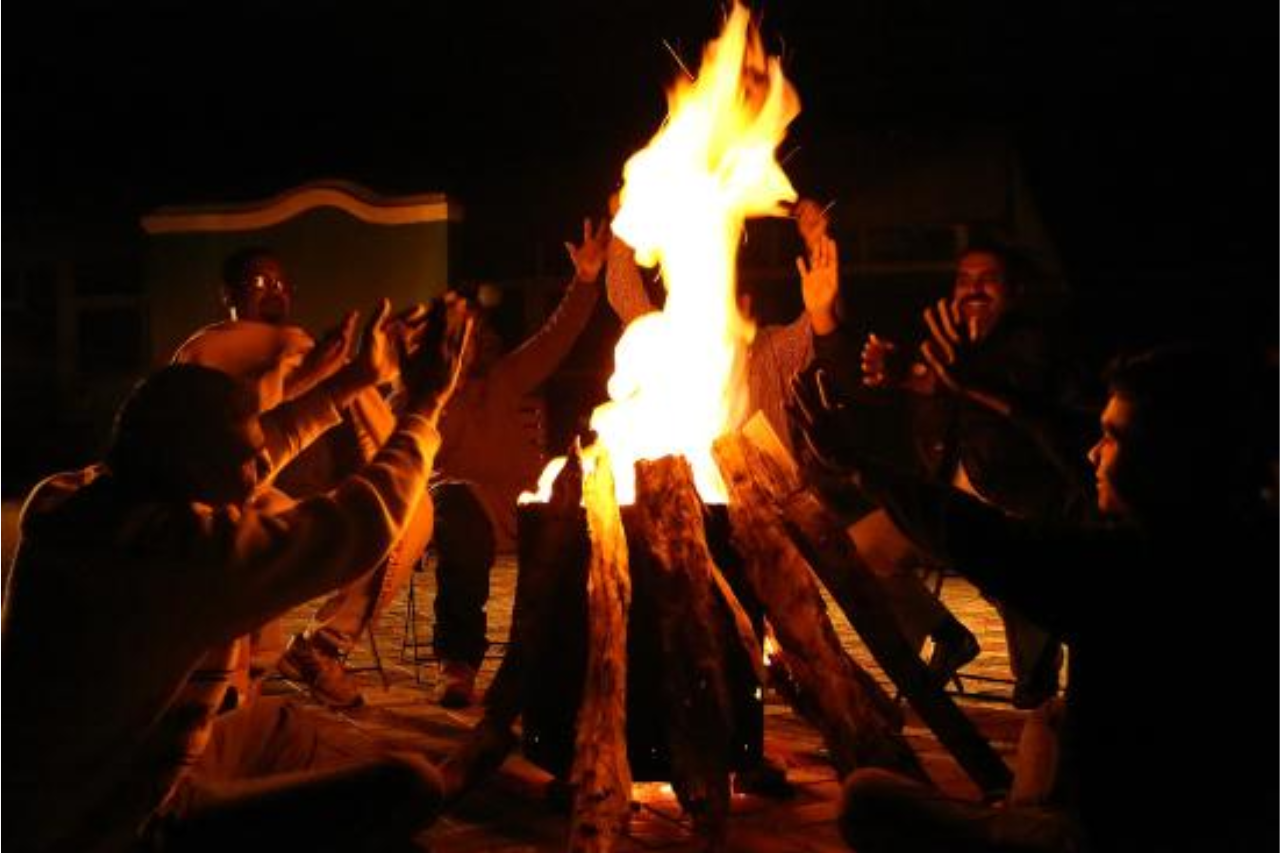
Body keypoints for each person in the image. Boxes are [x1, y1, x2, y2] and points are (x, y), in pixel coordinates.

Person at [2, 299, 468, 853]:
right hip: (105, 823)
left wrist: (354, 381)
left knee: (276, 728)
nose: (260, 470)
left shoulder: (74, 496)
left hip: (107, 762)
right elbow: (358, 526)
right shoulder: (181, 557)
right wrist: (423, 406)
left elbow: (248, 451)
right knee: (409, 785)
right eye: (244, 461)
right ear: (193, 469)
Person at [793, 343, 1277, 852]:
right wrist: (982, 388)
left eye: (1111, 439)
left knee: (867, 799)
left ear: (1168, 459)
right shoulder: (1237, 534)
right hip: (1216, 815)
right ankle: (1023, 812)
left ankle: (1029, 825)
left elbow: (985, 539)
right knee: (1050, 717)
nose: (1092, 452)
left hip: (1122, 835)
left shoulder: (1132, 570)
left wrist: (858, 465)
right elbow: (1066, 438)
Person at [819, 240, 1092, 706]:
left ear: (1016, 291)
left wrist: (956, 379)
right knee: (858, 549)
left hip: (1020, 519)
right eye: (964, 279)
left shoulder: (1037, 346)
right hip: (949, 512)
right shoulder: (941, 348)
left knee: (1028, 627)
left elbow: (1030, 402)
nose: (974, 289)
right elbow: (865, 387)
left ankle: (1038, 710)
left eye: (988, 279)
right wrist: (826, 318)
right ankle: (945, 637)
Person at [174, 247, 427, 709]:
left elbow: (355, 412)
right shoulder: (205, 350)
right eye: (258, 284)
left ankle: (321, 648)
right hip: (256, 498)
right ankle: (239, 687)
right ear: (227, 295)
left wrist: (395, 397)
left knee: (410, 513)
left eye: (281, 285)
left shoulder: (301, 344)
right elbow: (224, 436)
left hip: (319, 491)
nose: (273, 293)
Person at [424, 216, 611, 707]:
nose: (474, 342)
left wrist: (586, 280)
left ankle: (566, 667)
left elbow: (556, 336)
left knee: (592, 521)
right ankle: (457, 664)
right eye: (461, 335)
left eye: (479, 334)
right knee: (455, 503)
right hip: (464, 508)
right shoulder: (427, 396)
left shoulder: (506, 377)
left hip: (522, 507)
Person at [605, 196, 841, 446]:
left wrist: (819, 246)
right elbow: (623, 293)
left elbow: (821, 327)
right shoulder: (671, 346)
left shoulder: (774, 350)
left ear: (744, 305)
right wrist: (623, 224)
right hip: (693, 483)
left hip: (772, 483)